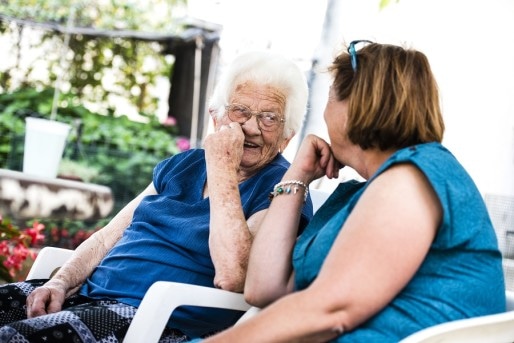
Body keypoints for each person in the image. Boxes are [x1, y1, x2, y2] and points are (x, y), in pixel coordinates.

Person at [195, 41, 506, 342]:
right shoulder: (357, 196)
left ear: (355, 106)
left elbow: (329, 310)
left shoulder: (413, 176)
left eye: (330, 97)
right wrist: (297, 175)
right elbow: (263, 288)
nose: (325, 115)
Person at [0, 51, 313, 342]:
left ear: (288, 137)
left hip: (153, 320)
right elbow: (106, 238)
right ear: (217, 116)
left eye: (269, 117)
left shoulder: (282, 187)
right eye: (240, 110)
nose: (251, 127)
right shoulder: (185, 165)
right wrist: (60, 281)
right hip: (87, 297)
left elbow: (235, 275)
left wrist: (222, 170)